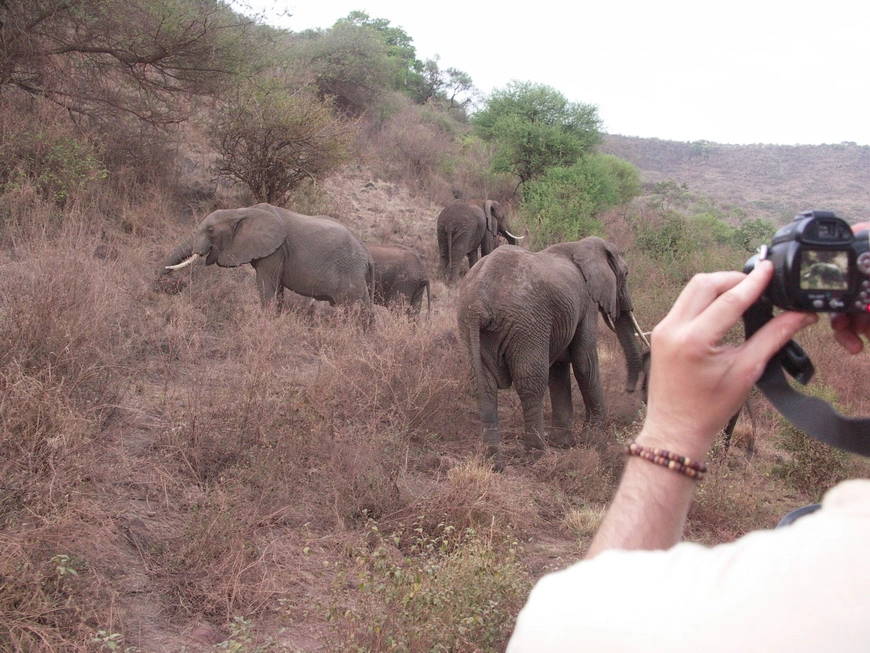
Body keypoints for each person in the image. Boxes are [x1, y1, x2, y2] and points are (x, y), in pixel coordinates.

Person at [507, 241, 870, 652]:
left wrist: (672, 430)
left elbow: (563, 632)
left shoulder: (838, 564)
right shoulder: (837, 569)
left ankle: (550, 434)